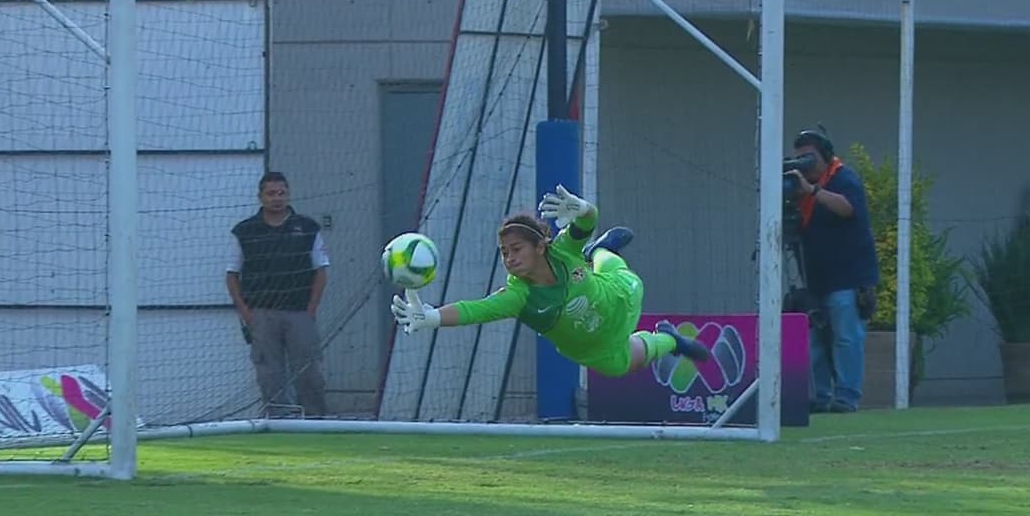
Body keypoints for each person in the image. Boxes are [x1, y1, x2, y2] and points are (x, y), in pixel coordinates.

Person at [390, 185, 711, 378]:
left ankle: (600, 251)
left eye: (516, 249)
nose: (509, 258)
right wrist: (431, 317)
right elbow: (475, 310)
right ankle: (671, 340)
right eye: (504, 252)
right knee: (622, 366)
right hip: (594, 347)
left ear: (540, 247)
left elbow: (588, 220)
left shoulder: (562, 251)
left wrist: (583, 208)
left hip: (617, 298)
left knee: (624, 276)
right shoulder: (519, 296)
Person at [786, 127, 879, 414]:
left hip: (848, 277)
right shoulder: (801, 188)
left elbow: (847, 208)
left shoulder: (844, 179)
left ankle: (847, 397)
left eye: (810, 157)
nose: (806, 164)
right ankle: (821, 395)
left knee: (846, 337)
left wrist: (812, 191)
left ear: (826, 156)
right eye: (800, 158)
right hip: (816, 278)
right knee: (815, 338)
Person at [227, 171, 330, 418]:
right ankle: (278, 421)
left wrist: (311, 310)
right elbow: (232, 275)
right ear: (260, 197)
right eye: (271, 193)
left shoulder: (307, 228)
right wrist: (247, 314)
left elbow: (321, 270)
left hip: (300, 313)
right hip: (262, 315)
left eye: (282, 193)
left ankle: (316, 420)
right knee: (269, 373)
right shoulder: (244, 231)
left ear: (289, 194)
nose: (277, 198)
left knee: (309, 371)